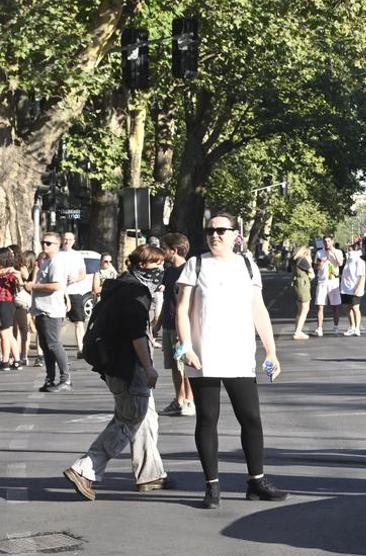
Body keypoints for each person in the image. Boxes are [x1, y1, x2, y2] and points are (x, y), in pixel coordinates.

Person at [174, 213, 285, 507]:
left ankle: (256, 482)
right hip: (204, 356)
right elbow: (182, 310)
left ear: (236, 234)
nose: (215, 235)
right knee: (208, 419)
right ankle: (212, 486)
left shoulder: (247, 266)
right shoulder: (195, 265)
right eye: (210, 230)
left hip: (239, 355)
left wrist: (271, 352)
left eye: (221, 230)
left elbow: (258, 310)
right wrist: (186, 347)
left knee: (251, 419)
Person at [62, 245, 172, 500]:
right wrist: (149, 367)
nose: (160, 271)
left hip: (113, 363)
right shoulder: (135, 292)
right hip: (127, 366)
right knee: (129, 419)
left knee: (145, 416)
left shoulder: (119, 285)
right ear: (142, 266)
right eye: (157, 266)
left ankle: (150, 474)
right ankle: (85, 469)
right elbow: (136, 335)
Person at [24, 232, 73, 392]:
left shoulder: (56, 263)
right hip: (41, 309)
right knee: (46, 346)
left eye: (48, 243)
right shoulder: (46, 262)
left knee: (54, 344)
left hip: (51, 310)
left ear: (57, 245)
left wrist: (34, 287)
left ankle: (65, 379)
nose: (44, 245)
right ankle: (50, 379)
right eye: (43, 242)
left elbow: (56, 286)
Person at [156, 234, 195, 416]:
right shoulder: (169, 271)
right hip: (169, 324)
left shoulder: (189, 270)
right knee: (173, 366)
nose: (163, 253)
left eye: (165, 249)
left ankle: (189, 401)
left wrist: (185, 330)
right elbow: (167, 301)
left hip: (183, 327)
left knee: (183, 366)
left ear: (174, 250)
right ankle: (179, 399)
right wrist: (158, 324)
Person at [60, 231, 91, 356]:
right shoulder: (57, 254)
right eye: (65, 239)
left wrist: (75, 279)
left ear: (74, 241)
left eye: (70, 239)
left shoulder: (77, 256)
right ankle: (55, 349)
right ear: (62, 240)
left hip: (74, 292)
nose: (67, 242)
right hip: (59, 292)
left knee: (79, 322)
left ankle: (81, 349)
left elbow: (83, 274)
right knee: (58, 322)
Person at [314, 235, 343, 337]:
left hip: (333, 282)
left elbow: (340, 263)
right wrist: (320, 263)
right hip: (322, 282)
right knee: (320, 306)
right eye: (325, 241)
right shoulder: (319, 252)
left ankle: (336, 327)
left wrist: (333, 252)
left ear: (332, 242)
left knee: (335, 306)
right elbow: (316, 267)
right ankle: (319, 328)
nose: (327, 243)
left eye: (328, 241)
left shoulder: (338, 252)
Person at [339, 237, 366, 336]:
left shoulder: (359, 261)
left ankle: (357, 328)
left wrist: (359, 288)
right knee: (348, 308)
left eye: (350, 248)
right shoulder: (348, 260)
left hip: (354, 288)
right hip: (345, 288)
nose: (348, 250)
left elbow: (361, 276)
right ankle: (352, 326)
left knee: (355, 308)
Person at [290, 243, 313, 340]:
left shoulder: (294, 260)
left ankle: (297, 329)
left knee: (299, 309)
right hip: (303, 284)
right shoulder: (303, 260)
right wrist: (309, 260)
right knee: (305, 309)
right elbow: (312, 273)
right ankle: (298, 332)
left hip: (296, 283)